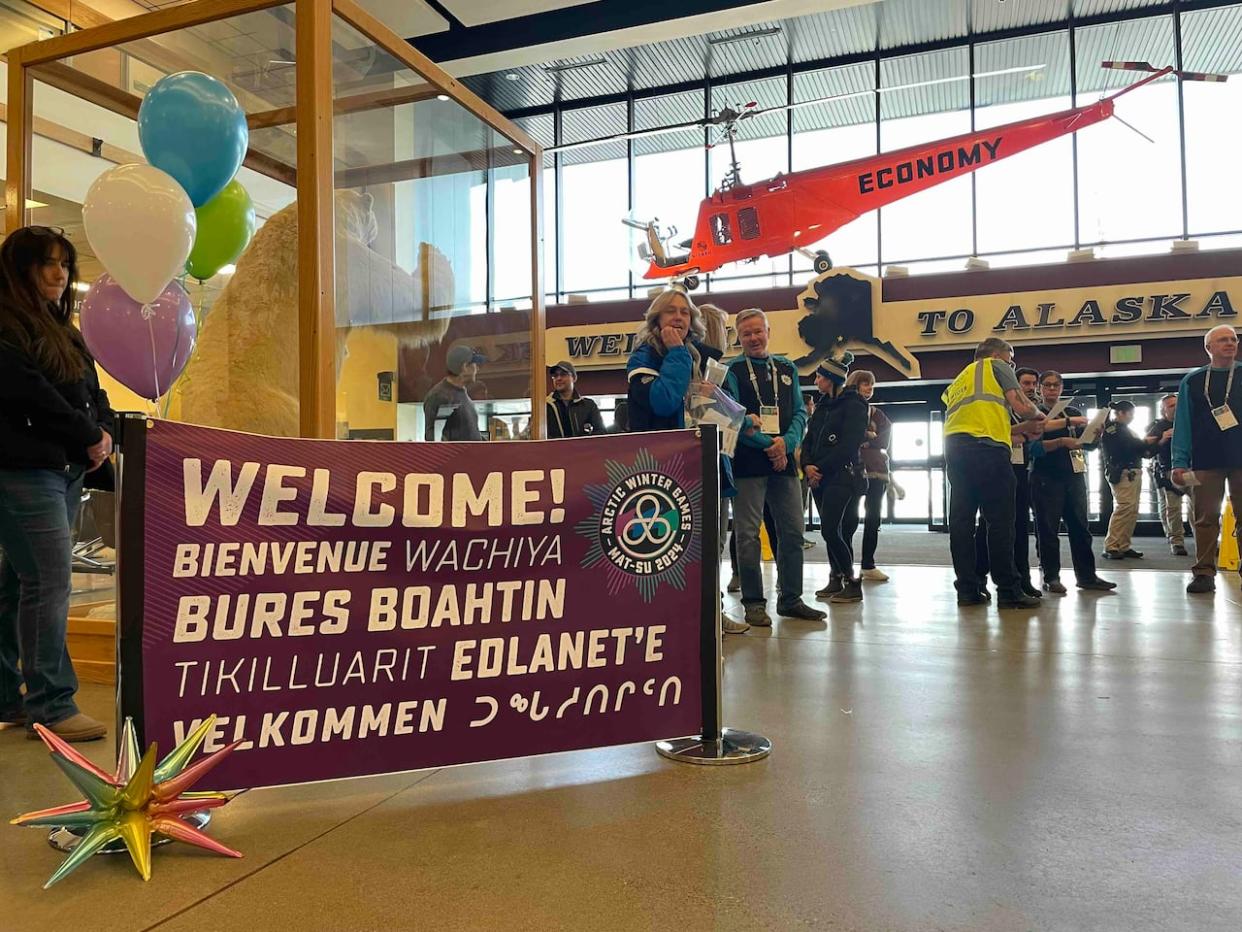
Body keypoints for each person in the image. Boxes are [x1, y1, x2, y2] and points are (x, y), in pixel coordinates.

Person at [0, 226, 113, 741]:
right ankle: (51, 703)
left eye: (65, 263)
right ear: (19, 269)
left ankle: (8, 697)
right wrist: (89, 434)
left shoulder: (59, 328)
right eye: (47, 262)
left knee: (18, 584)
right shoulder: (7, 325)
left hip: (61, 469)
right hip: (24, 470)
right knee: (49, 581)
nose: (59, 273)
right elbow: (32, 394)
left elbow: (88, 390)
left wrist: (105, 434)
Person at [626, 287, 749, 633]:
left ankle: (711, 615)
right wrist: (678, 353)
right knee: (668, 549)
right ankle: (666, 621)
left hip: (708, 468)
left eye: (684, 311)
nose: (678, 316)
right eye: (670, 311)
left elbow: (722, 413)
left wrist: (722, 401)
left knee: (710, 548)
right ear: (657, 319)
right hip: (666, 474)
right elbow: (664, 402)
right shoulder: (643, 359)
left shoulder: (704, 359)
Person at [725, 308, 826, 626]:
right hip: (748, 463)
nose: (753, 338)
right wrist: (770, 446)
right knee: (747, 536)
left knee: (793, 532)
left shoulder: (785, 367)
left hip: (783, 463)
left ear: (768, 332)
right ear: (739, 338)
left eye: (758, 331)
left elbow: (799, 411)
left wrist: (787, 442)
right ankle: (753, 602)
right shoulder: (732, 371)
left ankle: (791, 598)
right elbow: (733, 419)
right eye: (746, 334)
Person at [942, 338, 1044, 609]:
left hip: (956, 450)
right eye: (1011, 358)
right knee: (1000, 522)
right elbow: (1020, 404)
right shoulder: (997, 365)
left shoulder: (959, 380)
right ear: (999, 355)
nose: (1012, 364)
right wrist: (1038, 416)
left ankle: (967, 589)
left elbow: (976, 418)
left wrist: (1017, 432)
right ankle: (1009, 591)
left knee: (962, 523)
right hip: (988, 451)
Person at [1028, 371, 1116, 595]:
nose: (1051, 389)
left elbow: (1085, 446)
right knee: (1047, 530)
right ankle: (1051, 577)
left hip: (1074, 476)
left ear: (1061, 387)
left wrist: (1096, 435)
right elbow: (1034, 447)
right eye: (1047, 385)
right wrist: (1061, 440)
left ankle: (1087, 576)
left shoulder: (1073, 411)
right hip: (1046, 477)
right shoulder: (1035, 414)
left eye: (1056, 385)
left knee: (1080, 528)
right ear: (1039, 388)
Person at [1171, 324, 1242, 594]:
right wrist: (1179, 460)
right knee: (1205, 517)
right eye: (1222, 340)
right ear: (1208, 347)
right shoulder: (1193, 380)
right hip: (1205, 460)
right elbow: (1183, 424)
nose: (1230, 343)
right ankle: (1203, 572)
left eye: (1233, 339)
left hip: (1241, 459)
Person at [804, 355, 870, 603]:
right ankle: (836, 577)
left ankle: (852, 581)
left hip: (842, 475)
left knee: (831, 529)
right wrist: (807, 464)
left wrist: (818, 467)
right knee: (832, 529)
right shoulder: (822, 406)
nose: (816, 380)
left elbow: (849, 445)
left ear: (831, 379)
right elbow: (809, 438)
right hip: (819, 477)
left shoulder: (854, 405)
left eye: (820, 376)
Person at [974, 366, 1044, 599]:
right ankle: (979, 578)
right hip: (995, 470)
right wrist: (1022, 430)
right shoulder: (998, 406)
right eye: (1025, 383)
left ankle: (1022, 578)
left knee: (1020, 526)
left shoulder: (1032, 410)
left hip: (1022, 472)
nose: (1030, 388)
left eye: (1034, 384)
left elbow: (1034, 433)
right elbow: (995, 431)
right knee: (988, 527)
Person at [840, 370, 892, 582]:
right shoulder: (844, 409)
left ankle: (868, 564)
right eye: (865, 384)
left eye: (871, 384)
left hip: (877, 471)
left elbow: (884, 438)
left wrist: (869, 439)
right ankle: (845, 566)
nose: (869, 388)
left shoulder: (877, 413)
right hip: (852, 469)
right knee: (849, 518)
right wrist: (868, 435)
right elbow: (846, 436)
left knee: (873, 516)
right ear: (854, 385)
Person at [1101, 401, 1159, 560]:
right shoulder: (1112, 429)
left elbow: (1141, 450)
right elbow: (1129, 446)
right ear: (1120, 413)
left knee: (1131, 510)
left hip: (1133, 470)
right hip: (1122, 471)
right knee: (1124, 507)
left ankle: (1123, 545)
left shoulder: (1127, 430)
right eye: (1130, 413)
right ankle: (1111, 545)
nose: (1132, 417)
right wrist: (1146, 442)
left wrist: (1150, 444)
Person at [1147, 394, 1188, 555]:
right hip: (1168, 470)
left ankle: (1202, 540)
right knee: (1173, 508)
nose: (1176, 408)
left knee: (1198, 509)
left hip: (1192, 469)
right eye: (1171, 406)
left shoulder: (1189, 422)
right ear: (1163, 411)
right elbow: (1147, 450)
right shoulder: (1158, 427)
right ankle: (1176, 542)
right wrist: (1163, 438)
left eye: (1177, 404)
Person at [423, 345, 486, 441]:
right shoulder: (439, 396)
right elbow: (434, 438)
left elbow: (469, 434)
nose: (478, 369)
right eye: (475, 364)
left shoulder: (462, 394)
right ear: (465, 367)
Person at [545, 360, 605, 439]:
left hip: (583, 450)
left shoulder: (589, 406)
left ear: (573, 378)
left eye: (563, 374)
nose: (558, 378)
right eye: (555, 376)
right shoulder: (545, 406)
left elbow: (601, 433)